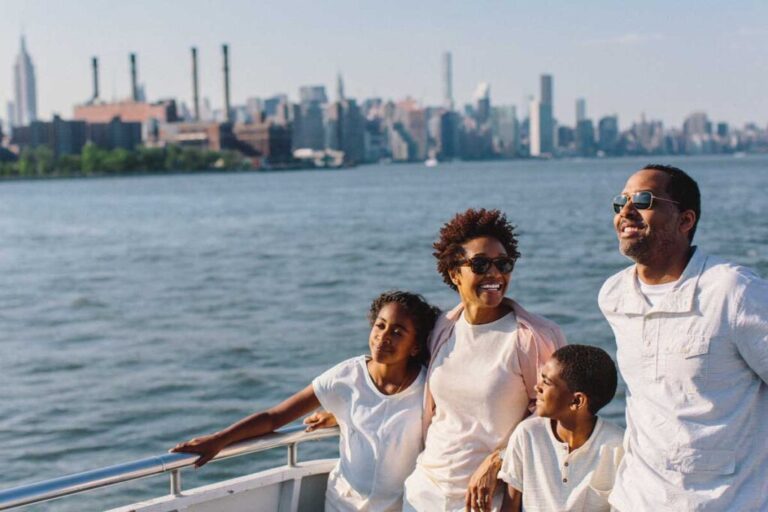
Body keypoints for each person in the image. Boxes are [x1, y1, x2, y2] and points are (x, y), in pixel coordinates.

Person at [172, 290, 440, 512]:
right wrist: (220, 439)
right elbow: (275, 417)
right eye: (380, 325)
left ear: (415, 346)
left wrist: (339, 416)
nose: (384, 336)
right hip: (342, 505)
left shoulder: (429, 386)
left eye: (398, 331)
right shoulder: (346, 376)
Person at [599, 164, 768, 511]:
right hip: (637, 500)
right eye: (621, 202)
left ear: (685, 220)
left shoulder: (732, 291)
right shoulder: (614, 295)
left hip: (728, 502)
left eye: (644, 200)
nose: (626, 212)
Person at [403, 208, 567, 512]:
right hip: (424, 492)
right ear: (455, 273)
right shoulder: (441, 328)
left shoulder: (534, 337)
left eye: (503, 264)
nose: (495, 274)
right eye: (480, 264)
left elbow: (554, 412)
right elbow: (409, 381)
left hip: (488, 499)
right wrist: (346, 411)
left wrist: (499, 460)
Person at [498, 344, 624, 512]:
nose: (538, 387)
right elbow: (510, 507)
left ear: (577, 401)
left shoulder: (618, 446)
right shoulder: (528, 434)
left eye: (547, 382)